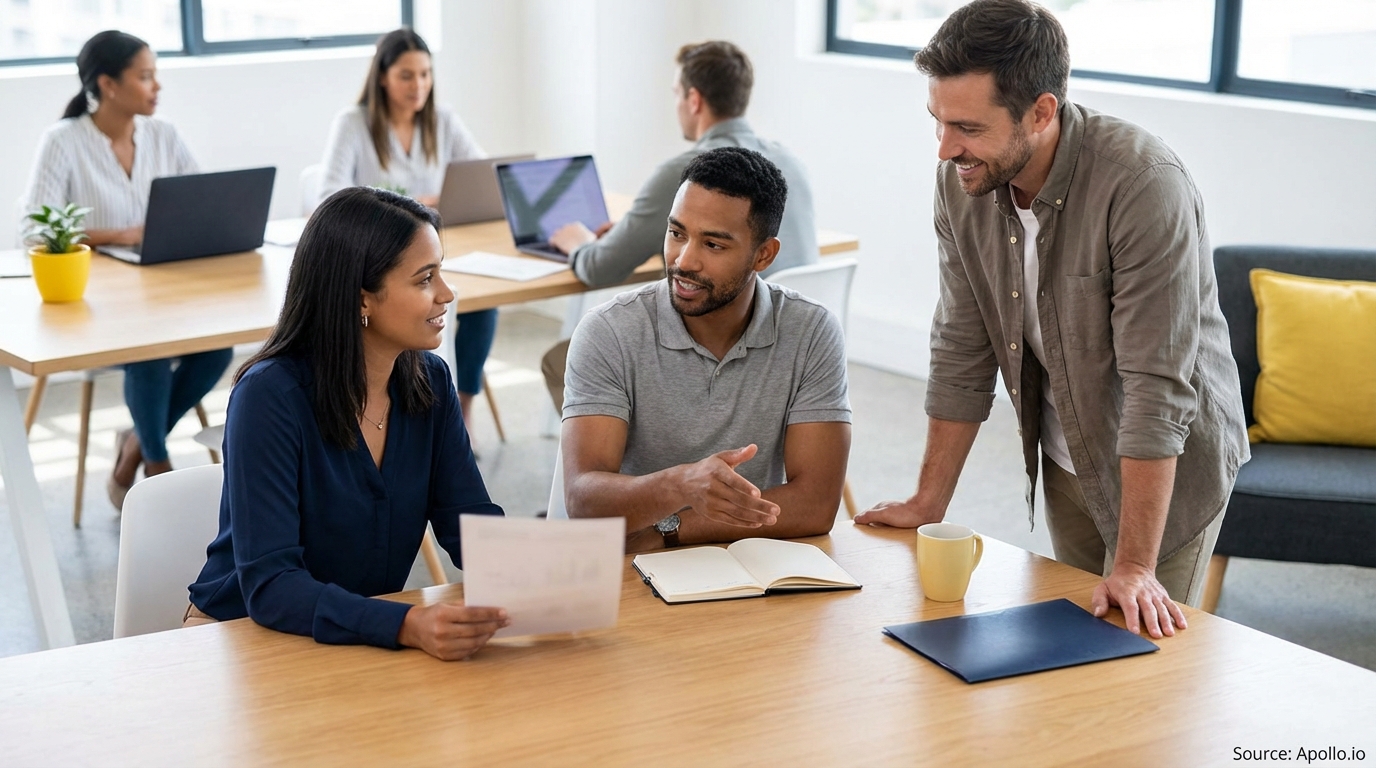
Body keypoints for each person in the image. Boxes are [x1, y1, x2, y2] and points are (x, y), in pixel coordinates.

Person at [855, 0, 1249, 639]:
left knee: (1136, 653)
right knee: (1073, 652)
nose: (946, 148)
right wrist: (929, 501)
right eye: (938, 121)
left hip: (1168, 467)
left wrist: (1134, 565)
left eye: (968, 127)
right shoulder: (965, 180)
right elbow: (963, 341)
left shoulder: (1143, 184)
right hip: (1070, 454)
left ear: (1041, 112)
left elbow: (1157, 385)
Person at [188, 187, 509, 660]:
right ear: (363, 299)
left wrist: (547, 578)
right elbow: (272, 586)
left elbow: (469, 526)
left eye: (442, 272)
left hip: (359, 640)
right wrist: (406, 623)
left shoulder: (431, 382)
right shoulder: (269, 397)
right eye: (425, 279)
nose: (447, 293)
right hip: (244, 640)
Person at [561, 147, 850, 553]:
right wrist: (680, 484)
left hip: (726, 563)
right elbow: (584, 500)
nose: (685, 260)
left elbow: (816, 505)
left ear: (763, 254)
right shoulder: (609, 331)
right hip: (632, 576)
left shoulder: (811, 331)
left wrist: (670, 530)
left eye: (713, 245)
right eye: (677, 233)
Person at [540, 40, 819, 411]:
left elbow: (600, 267)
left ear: (693, 100)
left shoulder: (688, 175)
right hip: (795, 348)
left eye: (675, 94)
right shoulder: (790, 163)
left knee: (563, 359)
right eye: (677, 231)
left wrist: (579, 243)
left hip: (723, 355)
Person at [18, 30, 232, 510]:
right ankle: (157, 470)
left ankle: (132, 447)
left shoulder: (164, 134)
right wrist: (118, 235)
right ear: (109, 84)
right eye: (146, 76)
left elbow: (200, 202)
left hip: (165, 294)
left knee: (217, 347)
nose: (157, 87)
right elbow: (32, 227)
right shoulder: (64, 141)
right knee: (149, 353)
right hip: (97, 310)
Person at [319, 28, 496, 438]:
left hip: (435, 253)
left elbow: (482, 175)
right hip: (382, 260)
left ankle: (461, 409)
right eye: (406, 75)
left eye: (425, 74)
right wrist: (418, 200)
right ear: (382, 76)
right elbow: (329, 196)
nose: (418, 86)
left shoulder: (442, 120)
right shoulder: (353, 123)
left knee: (484, 303)